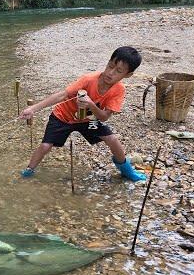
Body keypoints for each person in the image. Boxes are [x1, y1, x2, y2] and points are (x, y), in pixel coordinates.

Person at [18, 46, 146, 182]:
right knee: (45, 146)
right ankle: (28, 170)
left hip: (88, 119)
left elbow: (104, 117)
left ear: (128, 75)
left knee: (112, 140)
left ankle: (126, 171)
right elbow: (61, 95)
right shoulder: (88, 79)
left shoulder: (118, 90)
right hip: (63, 117)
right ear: (108, 62)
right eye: (110, 66)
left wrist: (90, 104)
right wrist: (33, 109)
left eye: (118, 71)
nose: (110, 73)